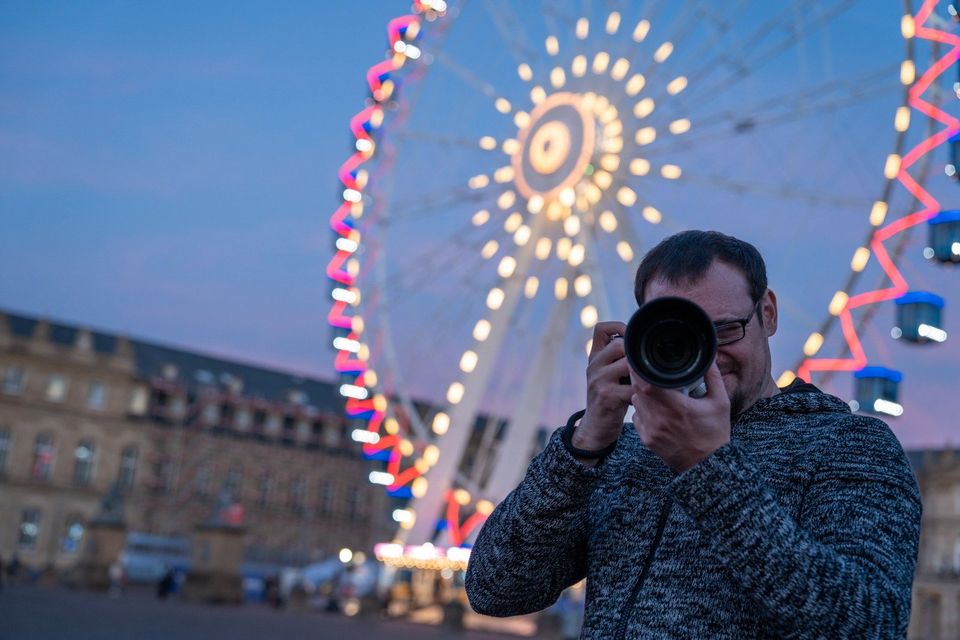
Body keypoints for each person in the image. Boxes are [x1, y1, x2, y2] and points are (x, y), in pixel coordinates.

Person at [465, 230, 921, 639]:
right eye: (680, 336)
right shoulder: (621, 452)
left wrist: (708, 468)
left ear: (768, 313)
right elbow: (495, 589)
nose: (706, 355)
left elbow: (870, 623)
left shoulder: (851, 446)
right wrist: (586, 442)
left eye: (723, 330)